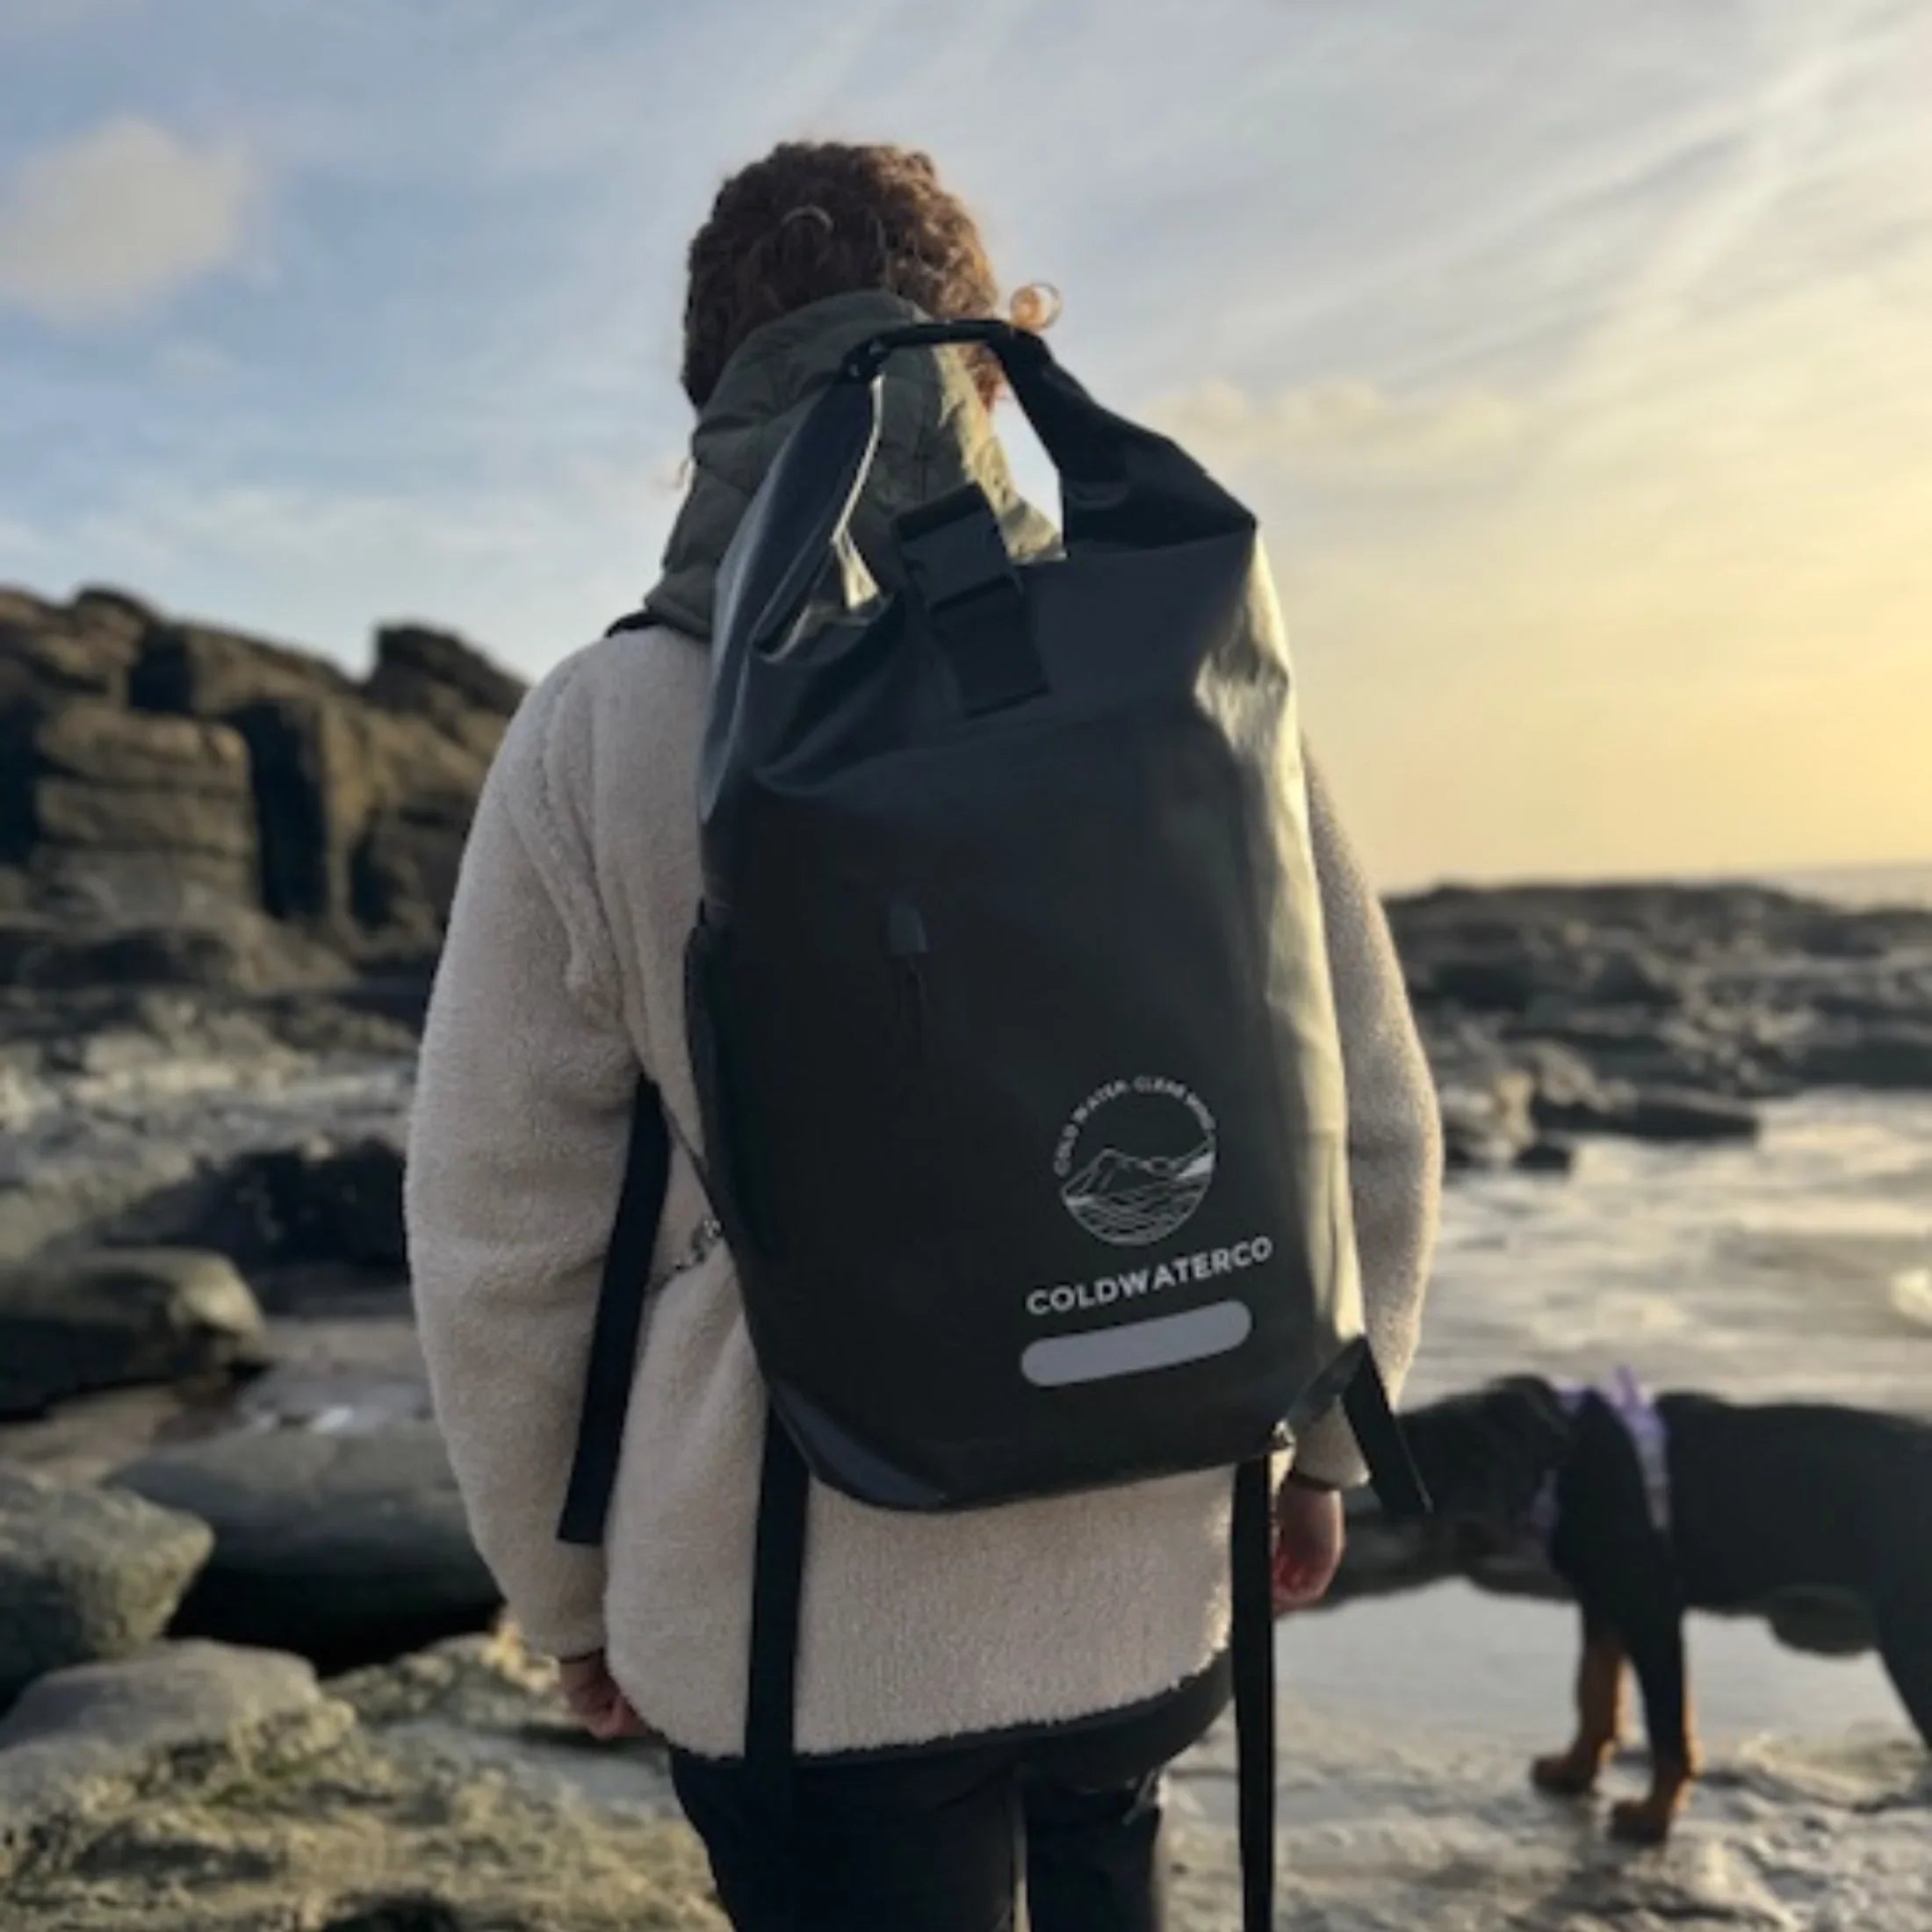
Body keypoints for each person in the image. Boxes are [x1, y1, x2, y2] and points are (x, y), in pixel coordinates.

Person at [407, 140, 1442, 1932]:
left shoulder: (604, 729)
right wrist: (1325, 1445)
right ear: (986, 358)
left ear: (709, 401)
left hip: (792, 1627)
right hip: (1148, 1564)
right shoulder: (1174, 673)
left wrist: (568, 1591)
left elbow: (504, 1232)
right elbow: (1354, 1091)